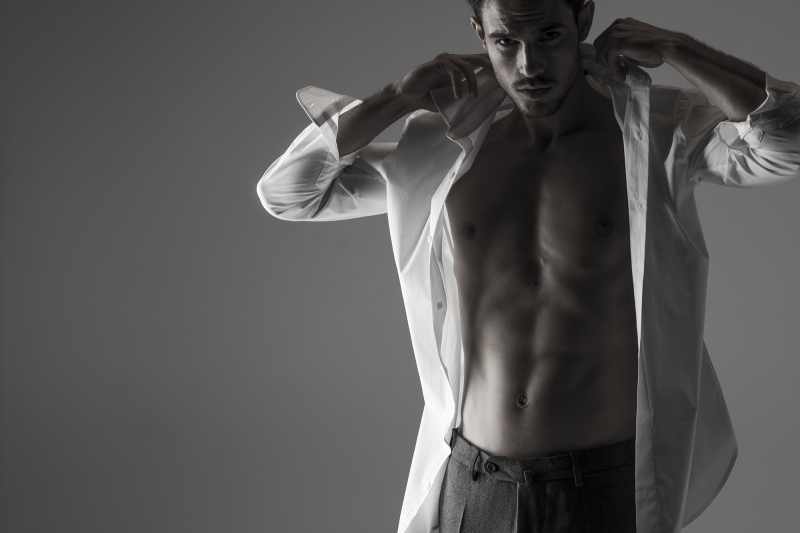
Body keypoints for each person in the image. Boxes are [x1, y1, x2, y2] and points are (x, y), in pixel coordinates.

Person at [257, 0, 800, 531]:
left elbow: (788, 141)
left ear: (583, 19)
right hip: (474, 487)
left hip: (601, 488)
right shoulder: (440, 148)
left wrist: (675, 48)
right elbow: (289, 194)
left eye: (549, 37)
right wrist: (396, 97)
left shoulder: (655, 131)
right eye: (505, 41)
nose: (529, 65)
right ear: (479, 33)